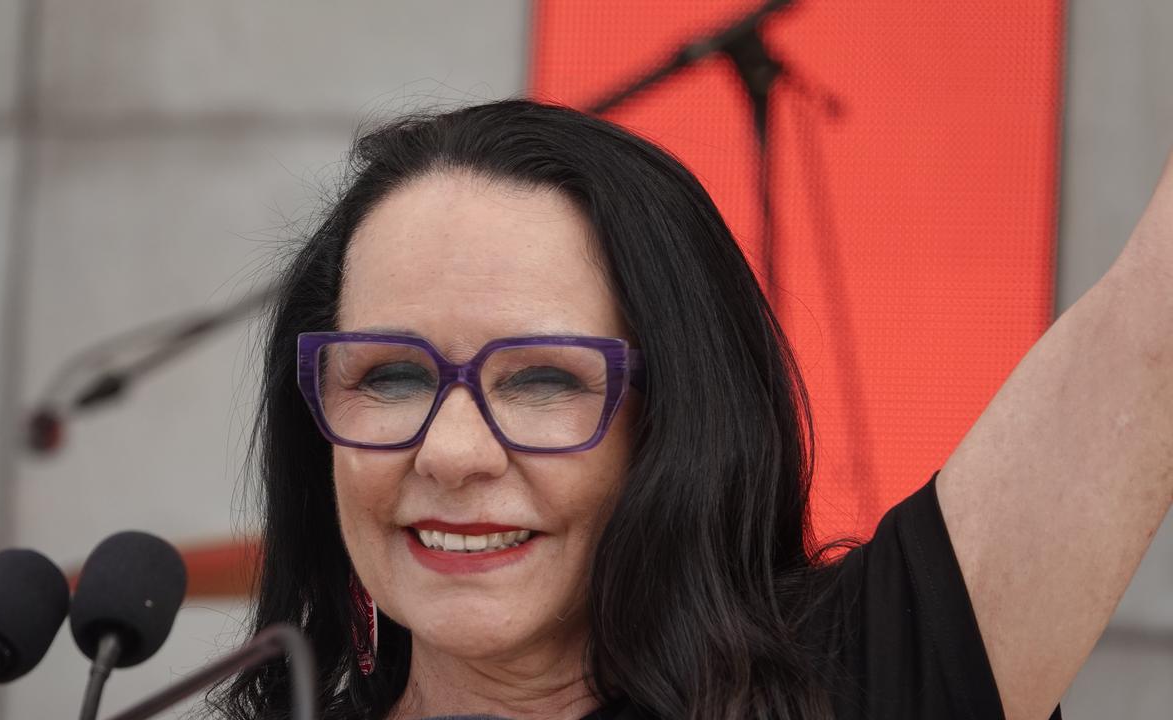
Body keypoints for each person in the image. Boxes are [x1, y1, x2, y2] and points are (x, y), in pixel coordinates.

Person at [209, 100, 1173, 719]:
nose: (452, 453)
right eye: (390, 379)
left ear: (676, 421)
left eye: (545, 381)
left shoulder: (860, 686)